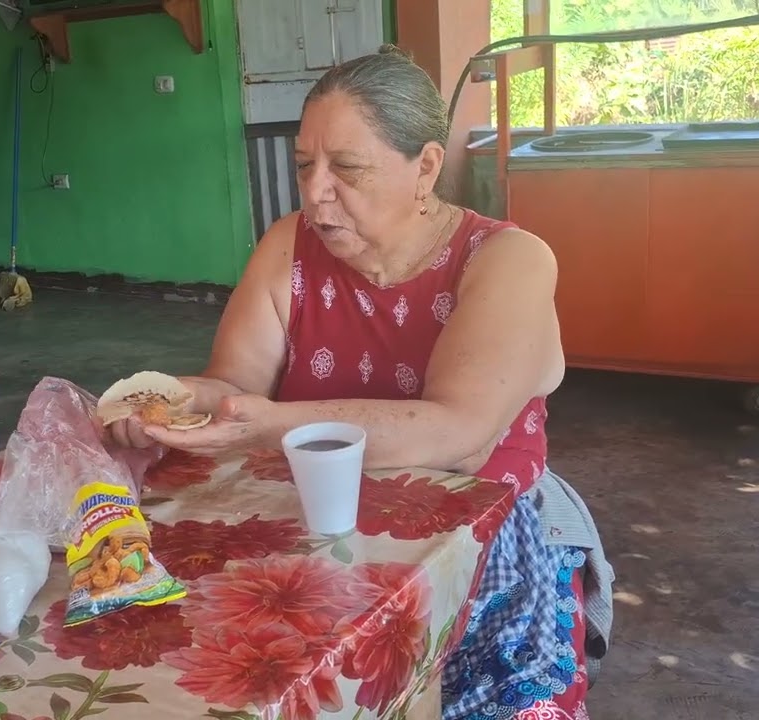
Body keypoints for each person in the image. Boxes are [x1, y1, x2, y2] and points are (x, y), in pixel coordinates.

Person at [111, 47, 612, 719]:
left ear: (425, 167)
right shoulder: (289, 246)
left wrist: (267, 426)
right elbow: (233, 382)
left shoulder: (506, 260)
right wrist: (168, 401)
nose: (316, 191)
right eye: (304, 166)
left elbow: (456, 436)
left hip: (482, 559)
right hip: (323, 536)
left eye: (346, 168)